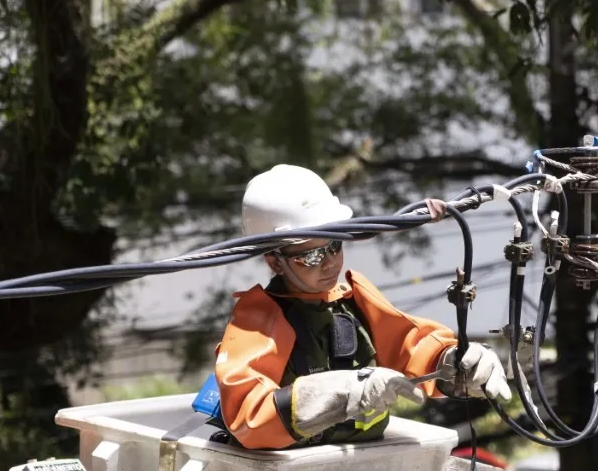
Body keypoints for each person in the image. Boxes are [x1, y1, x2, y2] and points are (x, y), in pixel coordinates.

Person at [214, 164, 512, 450]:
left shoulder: (352, 300)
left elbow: (408, 344)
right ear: (275, 262)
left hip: (367, 466)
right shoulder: (257, 321)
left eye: (334, 246)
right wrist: (339, 392)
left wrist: (452, 361)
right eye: (312, 256)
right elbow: (247, 417)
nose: (329, 262)